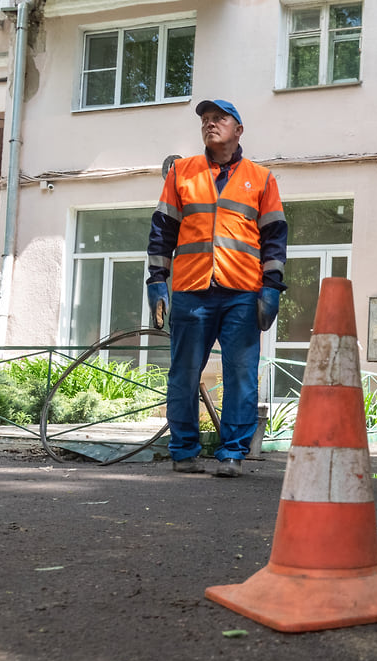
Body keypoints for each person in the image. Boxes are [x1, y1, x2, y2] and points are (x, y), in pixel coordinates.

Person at [146, 98, 288, 478]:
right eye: (205, 120)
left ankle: (232, 453)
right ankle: (184, 451)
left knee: (240, 374)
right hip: (192, 291)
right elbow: (162, 232)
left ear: (238, 130)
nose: (210, 124)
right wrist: (156, 281)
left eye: (219, 119)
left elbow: (274, 237)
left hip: (242, 291)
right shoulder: (182, 173)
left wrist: (271, 288)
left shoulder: (261, 178)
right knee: (184, 373)